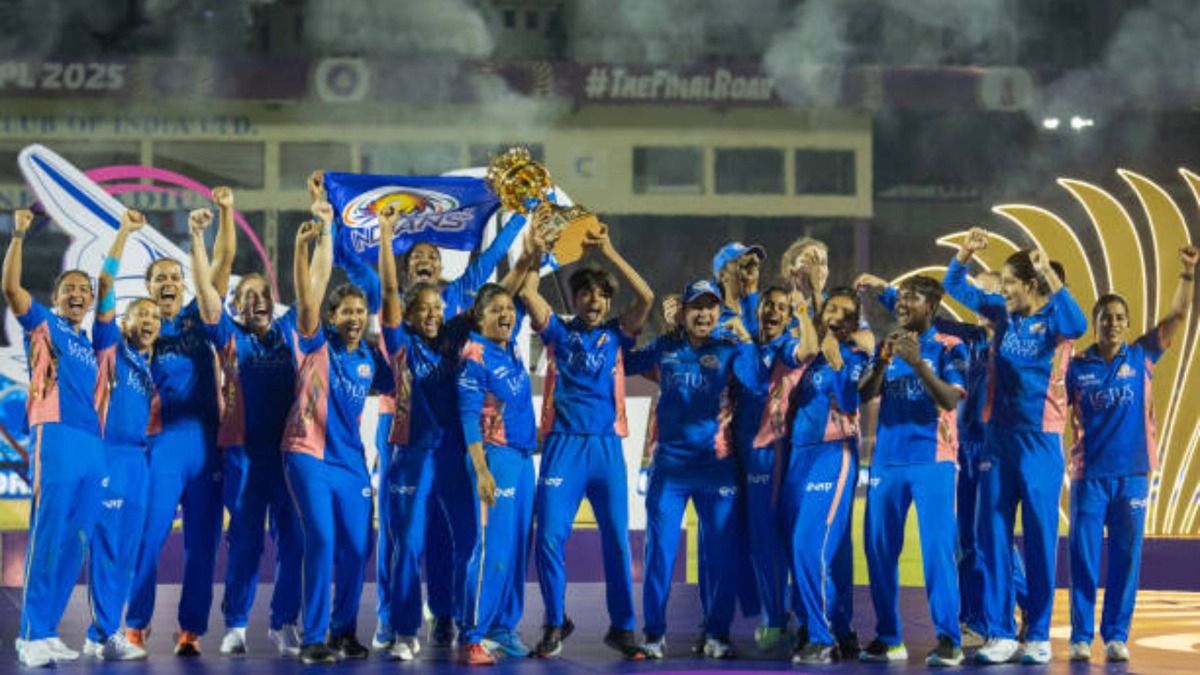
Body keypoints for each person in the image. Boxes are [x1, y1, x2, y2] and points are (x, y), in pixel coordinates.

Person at [944, 228, 1087, 665]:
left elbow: (1078, 323)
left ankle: (1038, 633)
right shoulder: (1003, 318)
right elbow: (954, 287)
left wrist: (1051, 274)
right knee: (991, 538)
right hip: (997, 440)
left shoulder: (1055, 323)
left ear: (1030, 285)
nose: (1002, 289)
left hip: (1041, 442)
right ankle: (1001, 632)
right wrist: (964, 254)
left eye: (1008, 282)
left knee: (1041, 540)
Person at [189, 195, 321, 657]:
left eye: (264, 295)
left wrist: (322, 230)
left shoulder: (290, 331)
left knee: (296, 540)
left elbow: (314, 291)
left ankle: (285, 622)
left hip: (289, 455)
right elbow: (206, 293)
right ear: (237, 307)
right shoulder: (228, 336)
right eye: (248, 298)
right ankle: (237, 624)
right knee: (245, 543)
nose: (258, 302)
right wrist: (196, 236)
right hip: (243, 453)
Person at [519, 225, 653, 659]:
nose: (593, 301)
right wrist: (536, 254)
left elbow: (647, 299)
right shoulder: (558, 333)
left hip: (607, 450)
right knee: (549, 538)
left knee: (616, 539)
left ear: (608, 302)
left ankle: (624, 627)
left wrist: (609, 251)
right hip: (562, 447)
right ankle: (555, 621)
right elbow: (525, 291)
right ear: (574, 299)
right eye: (585, 294)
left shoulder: (617, 334)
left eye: (600, 295)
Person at [1065, 246, 1198, 663]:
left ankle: (1117, 634)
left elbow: (1177, 318)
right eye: (1107, 318)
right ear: (1096, 321)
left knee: (1126, 557)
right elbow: (1054, 412)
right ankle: (1082, 636)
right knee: (1083, 560)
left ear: (1126, 323)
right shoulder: (1076, 365)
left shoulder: (1141, 355)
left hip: (1134, 475)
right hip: (1088, 476)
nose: (1115, 324)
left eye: (1121, 318)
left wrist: (1188, 274)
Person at [125, 190, 237, 656]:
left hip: (207, 445)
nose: (169, 283)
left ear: (185, 285)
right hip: (162, 447)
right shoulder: (143, 327)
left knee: (202, 546)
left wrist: (221, 217)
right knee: (148, 537)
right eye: (161, 279)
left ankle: (190, 628)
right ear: (150, 289)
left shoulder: (197, 317)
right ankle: (136, 624)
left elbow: (225, 259)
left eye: (175, 277)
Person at [625, 279, 759, 660]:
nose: (704, 313)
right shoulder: (665, 347)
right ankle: (653, 634)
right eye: (696, 307)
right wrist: (641, 327)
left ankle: (717, 633)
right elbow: (624, 360)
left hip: (717, 468)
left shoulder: (730, 350)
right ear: (682, 313)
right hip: (669, 470)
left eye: (711, 306)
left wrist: (746, 339)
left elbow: (758, 384)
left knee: (721, 556)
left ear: (719, 312)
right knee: (660, 555)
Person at [282, 215, 392, 664]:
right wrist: (314, 241)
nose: (354, 317)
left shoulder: (370, 358)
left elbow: (390, 315)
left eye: (360, 311)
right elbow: (307, 297)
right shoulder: (314, 344)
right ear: (331, 317)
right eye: (346, 310)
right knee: (323, 541)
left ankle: (344, 631)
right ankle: (313, 637)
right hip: (306, 453)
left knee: (358, 546)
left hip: (351, 462)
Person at [5, 208, 102, 668]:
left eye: (85, 290)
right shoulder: (44, 324)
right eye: (71, 289)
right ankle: (29, 635)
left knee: (77, 540)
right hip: (57, 434)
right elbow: (10, 288)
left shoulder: (89, 342)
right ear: (57, 296)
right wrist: (19, 235)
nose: (78, 294)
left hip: (92, 443)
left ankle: (46, 630)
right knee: (49, 533)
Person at [857, 276, 968, 666]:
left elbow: (950, 399)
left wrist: (918, 363)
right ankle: (889, 637)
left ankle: (949, 639)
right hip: (887, 460)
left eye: (912, 297)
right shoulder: (887, 344)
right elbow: (865, 394)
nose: (902, 302)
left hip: (933, 460)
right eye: (900, 296)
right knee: (879, 551)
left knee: (936, 551)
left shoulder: (950, 347)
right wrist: (884, 362)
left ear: (932, 306)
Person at [372, 205, 461, 661]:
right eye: (422, 308)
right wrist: (387, 234)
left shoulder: (454, 332)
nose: (431, 313)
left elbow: (498, 283)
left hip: (450, 451)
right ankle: (400, 624)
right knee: (403, 537)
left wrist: (519, 231)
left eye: (437, 308)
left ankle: (444, 616)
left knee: (446, 537)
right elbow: (388, 288)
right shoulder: (399, 339)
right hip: (406, 445)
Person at [83, 210, 159, 662]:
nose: (149, 320)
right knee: (107, 545)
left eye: (154, 316)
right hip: (109, 457)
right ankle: (106, 633)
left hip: (141, 463)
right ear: (126, 324)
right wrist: (125, 233)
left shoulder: (152, 366)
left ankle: (101, 634)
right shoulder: (111, 347)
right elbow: (105, 287)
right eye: (141, 314)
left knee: (128, 549)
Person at [785, 286, 871, 665]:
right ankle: (836, 628)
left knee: (810, 545)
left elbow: (852, 401)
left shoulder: (851, 354)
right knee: (832, 551)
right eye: (831, 308)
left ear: (854, 322)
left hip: (834, 455)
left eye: (845, 312)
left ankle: (821, 639)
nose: (836, 314)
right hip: (797, 457)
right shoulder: (806, 352)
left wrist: (838, 364)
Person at [455, 282, 539, 666]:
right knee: (493, 548)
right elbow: (468, 417)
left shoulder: (508, 345)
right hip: (495, 457)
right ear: (479, 316)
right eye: (496, 310)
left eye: (509, 309)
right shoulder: (476, 353)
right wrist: (482, 469)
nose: (506, 315)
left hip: (522, 459)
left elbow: (525, 290)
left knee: (518, 546)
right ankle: (475, 633)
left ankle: (504, 627)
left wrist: (538, 250)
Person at [733, 285, 818, 651]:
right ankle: (779, 614)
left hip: (771, 450)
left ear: (787, 317)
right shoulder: (746, 343)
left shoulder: (784, 347)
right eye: (769, 304)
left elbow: (811, 350)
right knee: (756, 538)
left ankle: (780, 618)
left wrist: (802, 311)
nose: (774, 311)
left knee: (771, 537)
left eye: (782, 308)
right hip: (740, 450)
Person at [713, 242, 765, 338]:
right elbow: (756, 341)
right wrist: (750, 290)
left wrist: (751, 292)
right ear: (722, 275)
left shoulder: (767, 305)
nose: (750, 270)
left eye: (752, 265)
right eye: (741, 264)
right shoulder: (714, 316)